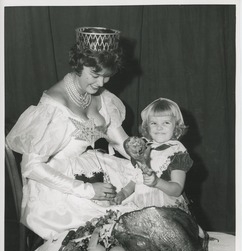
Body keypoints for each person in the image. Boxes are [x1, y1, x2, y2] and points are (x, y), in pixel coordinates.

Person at [6, 26, 135, 240]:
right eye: (95, 74)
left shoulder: (99, 93)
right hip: (57, 185)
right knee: (113, 227)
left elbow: (119, 139)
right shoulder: (54, 105)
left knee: (148, 189)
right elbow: (31, 167)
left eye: (107, 76)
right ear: (79, 63)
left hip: (89, 166)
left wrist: (144, 160)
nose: (101, 83)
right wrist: (87, 190)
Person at [115, 98, 193, 214]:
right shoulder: (144, 148)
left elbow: (177, 189)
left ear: (176, 126)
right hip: (141, 204)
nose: (159, 127)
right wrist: (124, 192)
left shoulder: (176, 151)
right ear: (147, 126)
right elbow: (137, 179)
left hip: (166, 208)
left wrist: (157, 182)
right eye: (154, 123)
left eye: (166, 123)